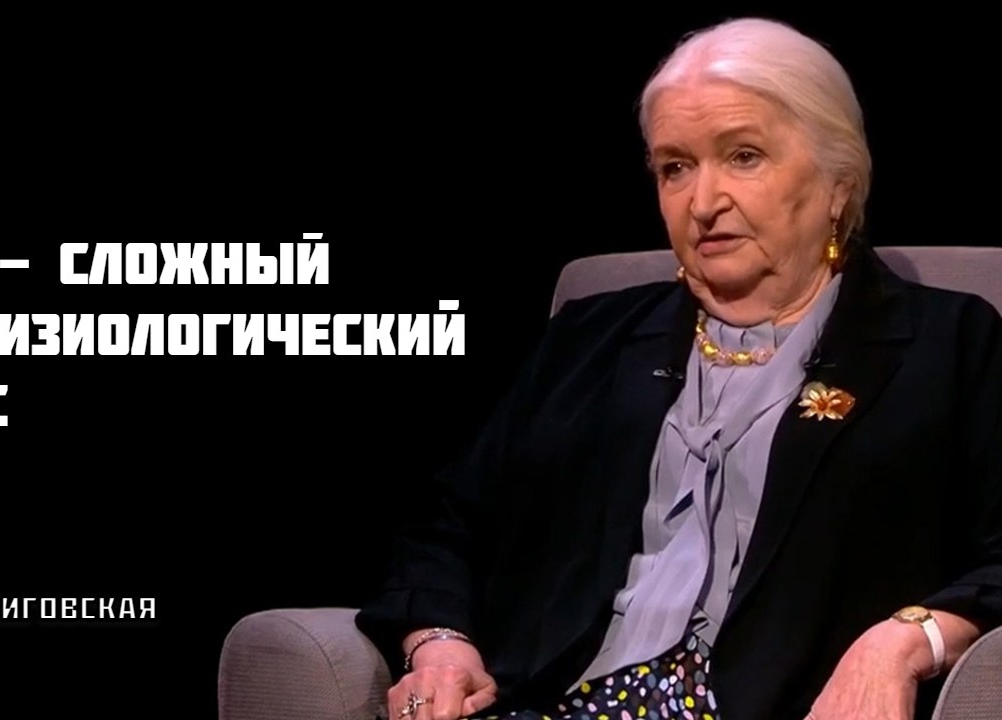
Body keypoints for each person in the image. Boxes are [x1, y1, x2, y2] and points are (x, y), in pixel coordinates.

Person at [355, 17, 1001, 720]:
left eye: (744, 156)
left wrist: (905, 640)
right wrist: (440, 645)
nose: (703, 202)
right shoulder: (588, 341)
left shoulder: (949, 345)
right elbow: (447, 528)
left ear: (838, 183)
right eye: (675, 167)